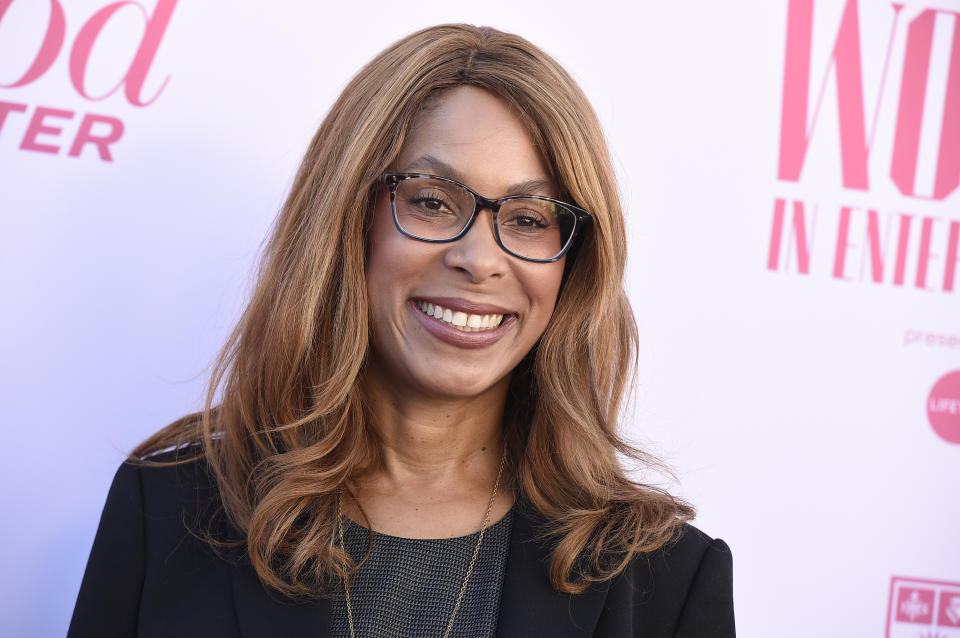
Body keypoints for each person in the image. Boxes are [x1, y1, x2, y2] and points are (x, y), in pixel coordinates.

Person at [68, 24, 735, 638]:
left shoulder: (666, 580)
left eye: (531, 218)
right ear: (346, 220)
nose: (478, 260)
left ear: (574, 262)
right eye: (431, 201)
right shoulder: (166, 516)